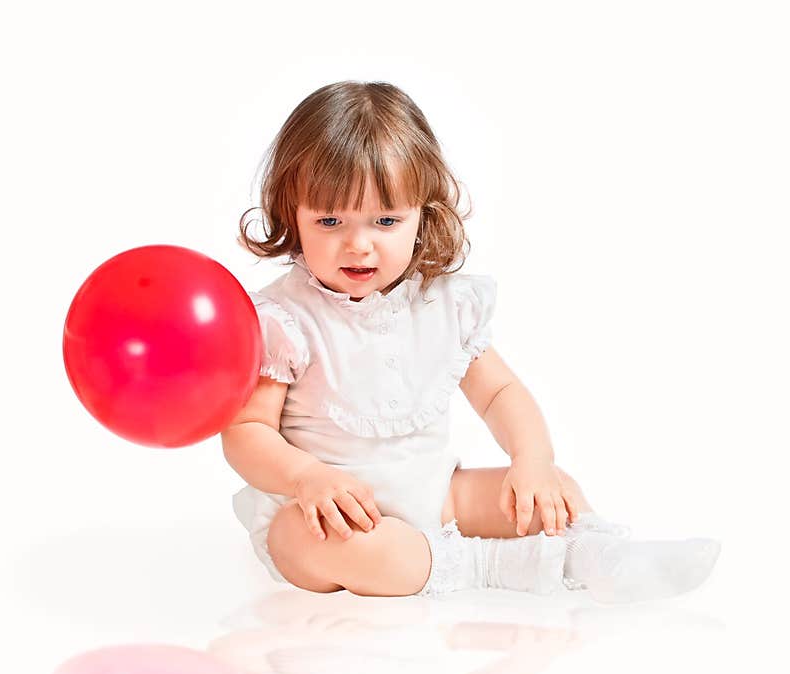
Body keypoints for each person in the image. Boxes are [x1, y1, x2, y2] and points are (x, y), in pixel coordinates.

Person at [222, 81, 720, 603]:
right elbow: (246, 430)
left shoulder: (445, 304)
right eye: (329, 221)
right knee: (363, 552)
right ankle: (499, 566)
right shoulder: (286, 319)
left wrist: (532, 459)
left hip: (439, 499)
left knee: (556, 489)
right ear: (291, 214)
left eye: (386, 220)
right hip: (325, 516)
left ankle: (598, 555)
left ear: (423, 214)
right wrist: (306, 478)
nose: (359, 243)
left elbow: (500, 393)